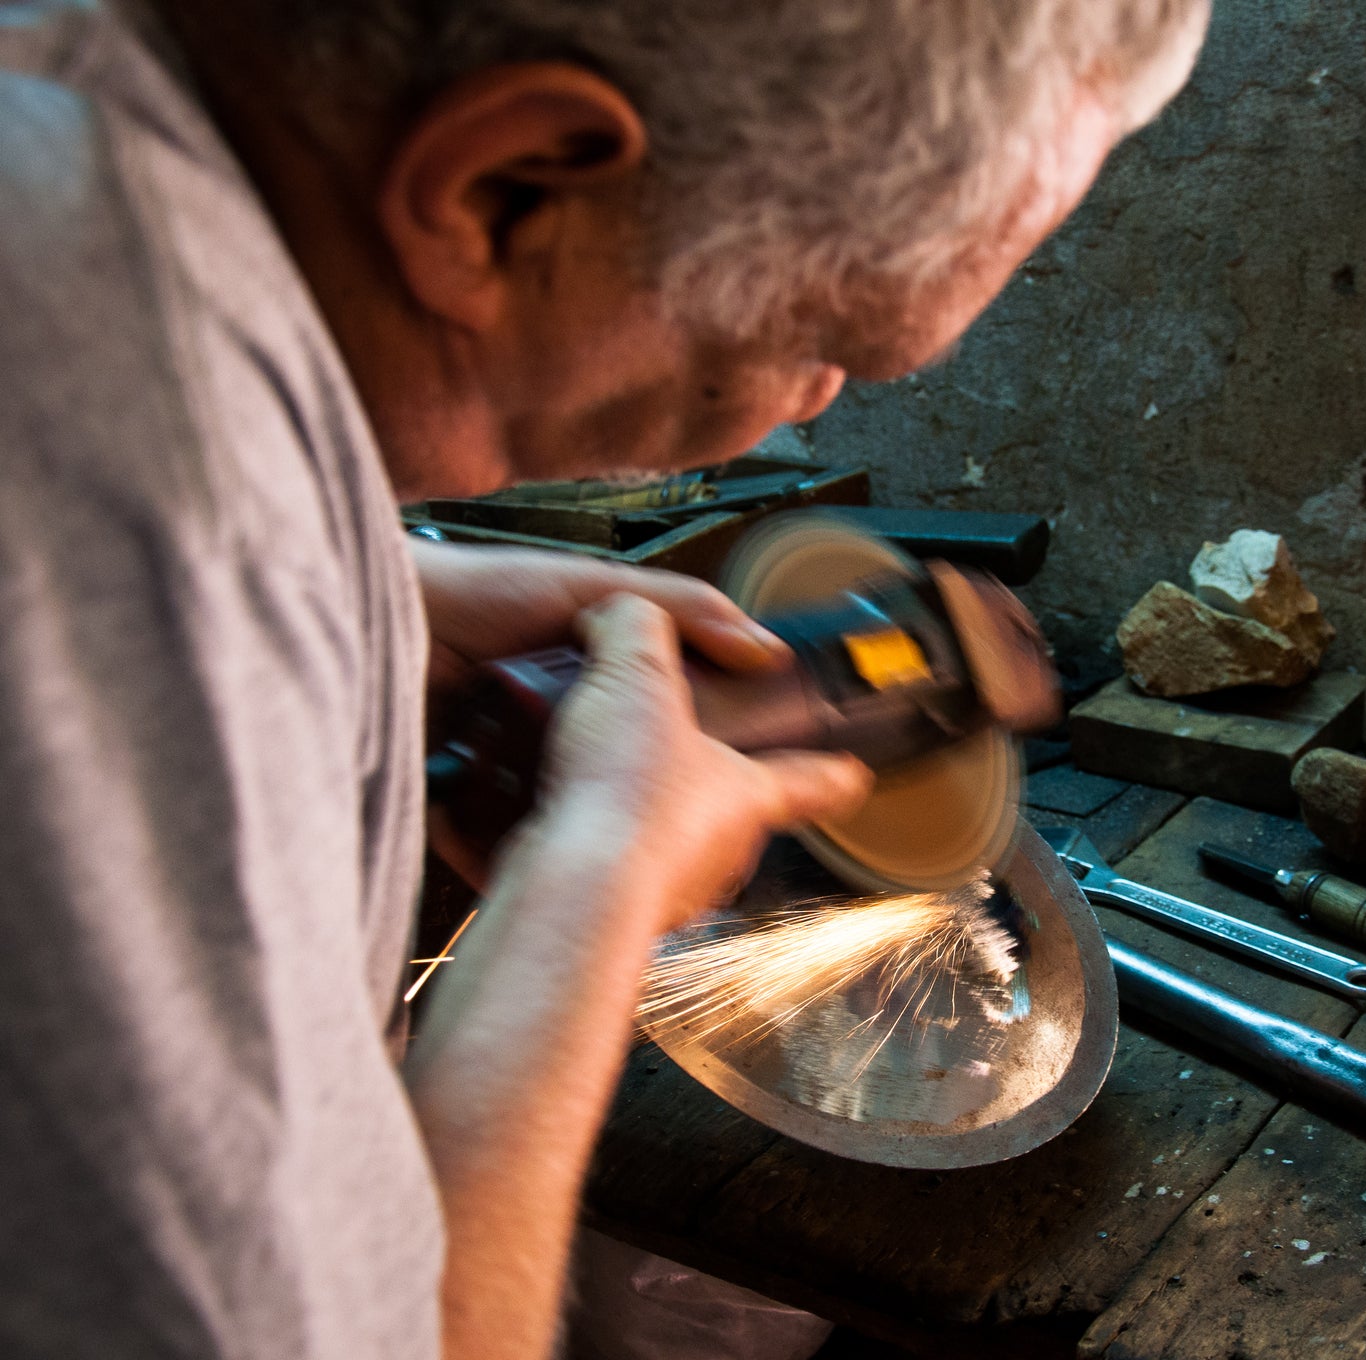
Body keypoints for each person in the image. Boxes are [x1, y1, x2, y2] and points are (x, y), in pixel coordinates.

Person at [0, 1, 1209, 1357]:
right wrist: (593, 892)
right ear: (506, 193)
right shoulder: (138, 480)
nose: (809, 404)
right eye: (827, 339)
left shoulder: (72, 121)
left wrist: (385, 587)